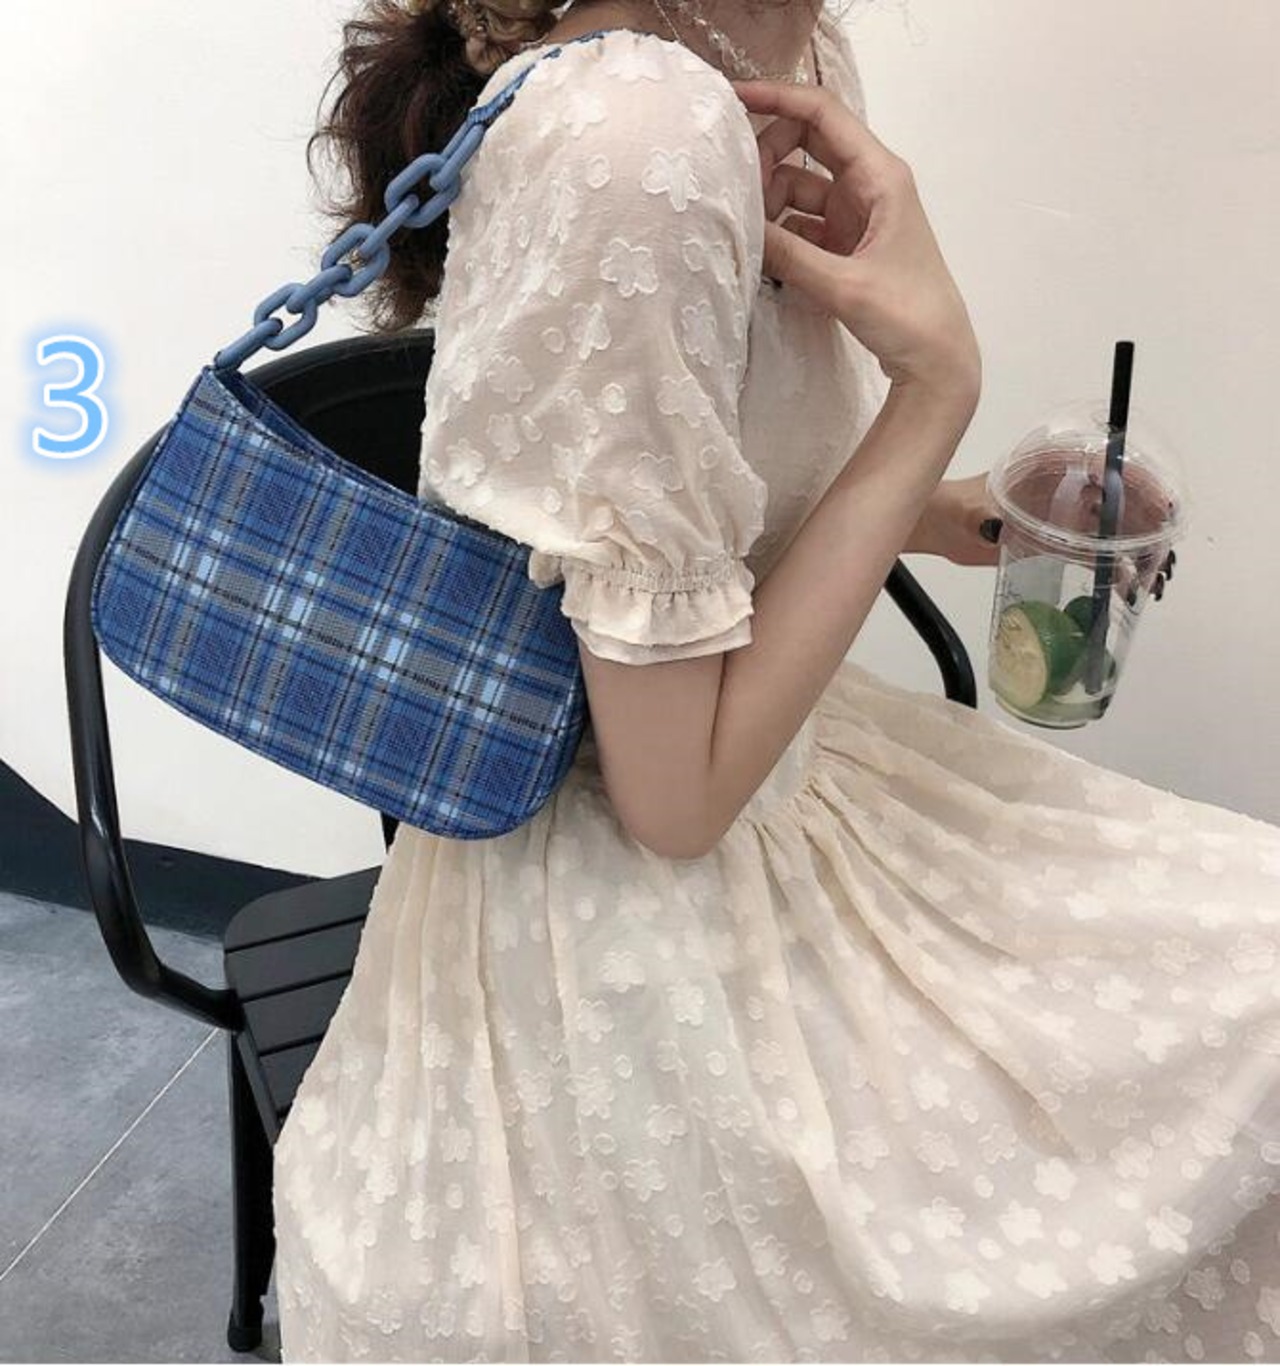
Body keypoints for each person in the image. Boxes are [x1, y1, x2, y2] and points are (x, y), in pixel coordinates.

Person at [271, 0, 1280, 1359]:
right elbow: (672, 799)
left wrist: (972, 509)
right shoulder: (643, 134)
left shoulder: (773, 61)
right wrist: (935, 389)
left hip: (795, 787)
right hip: (623, 928)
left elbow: (711, 512)